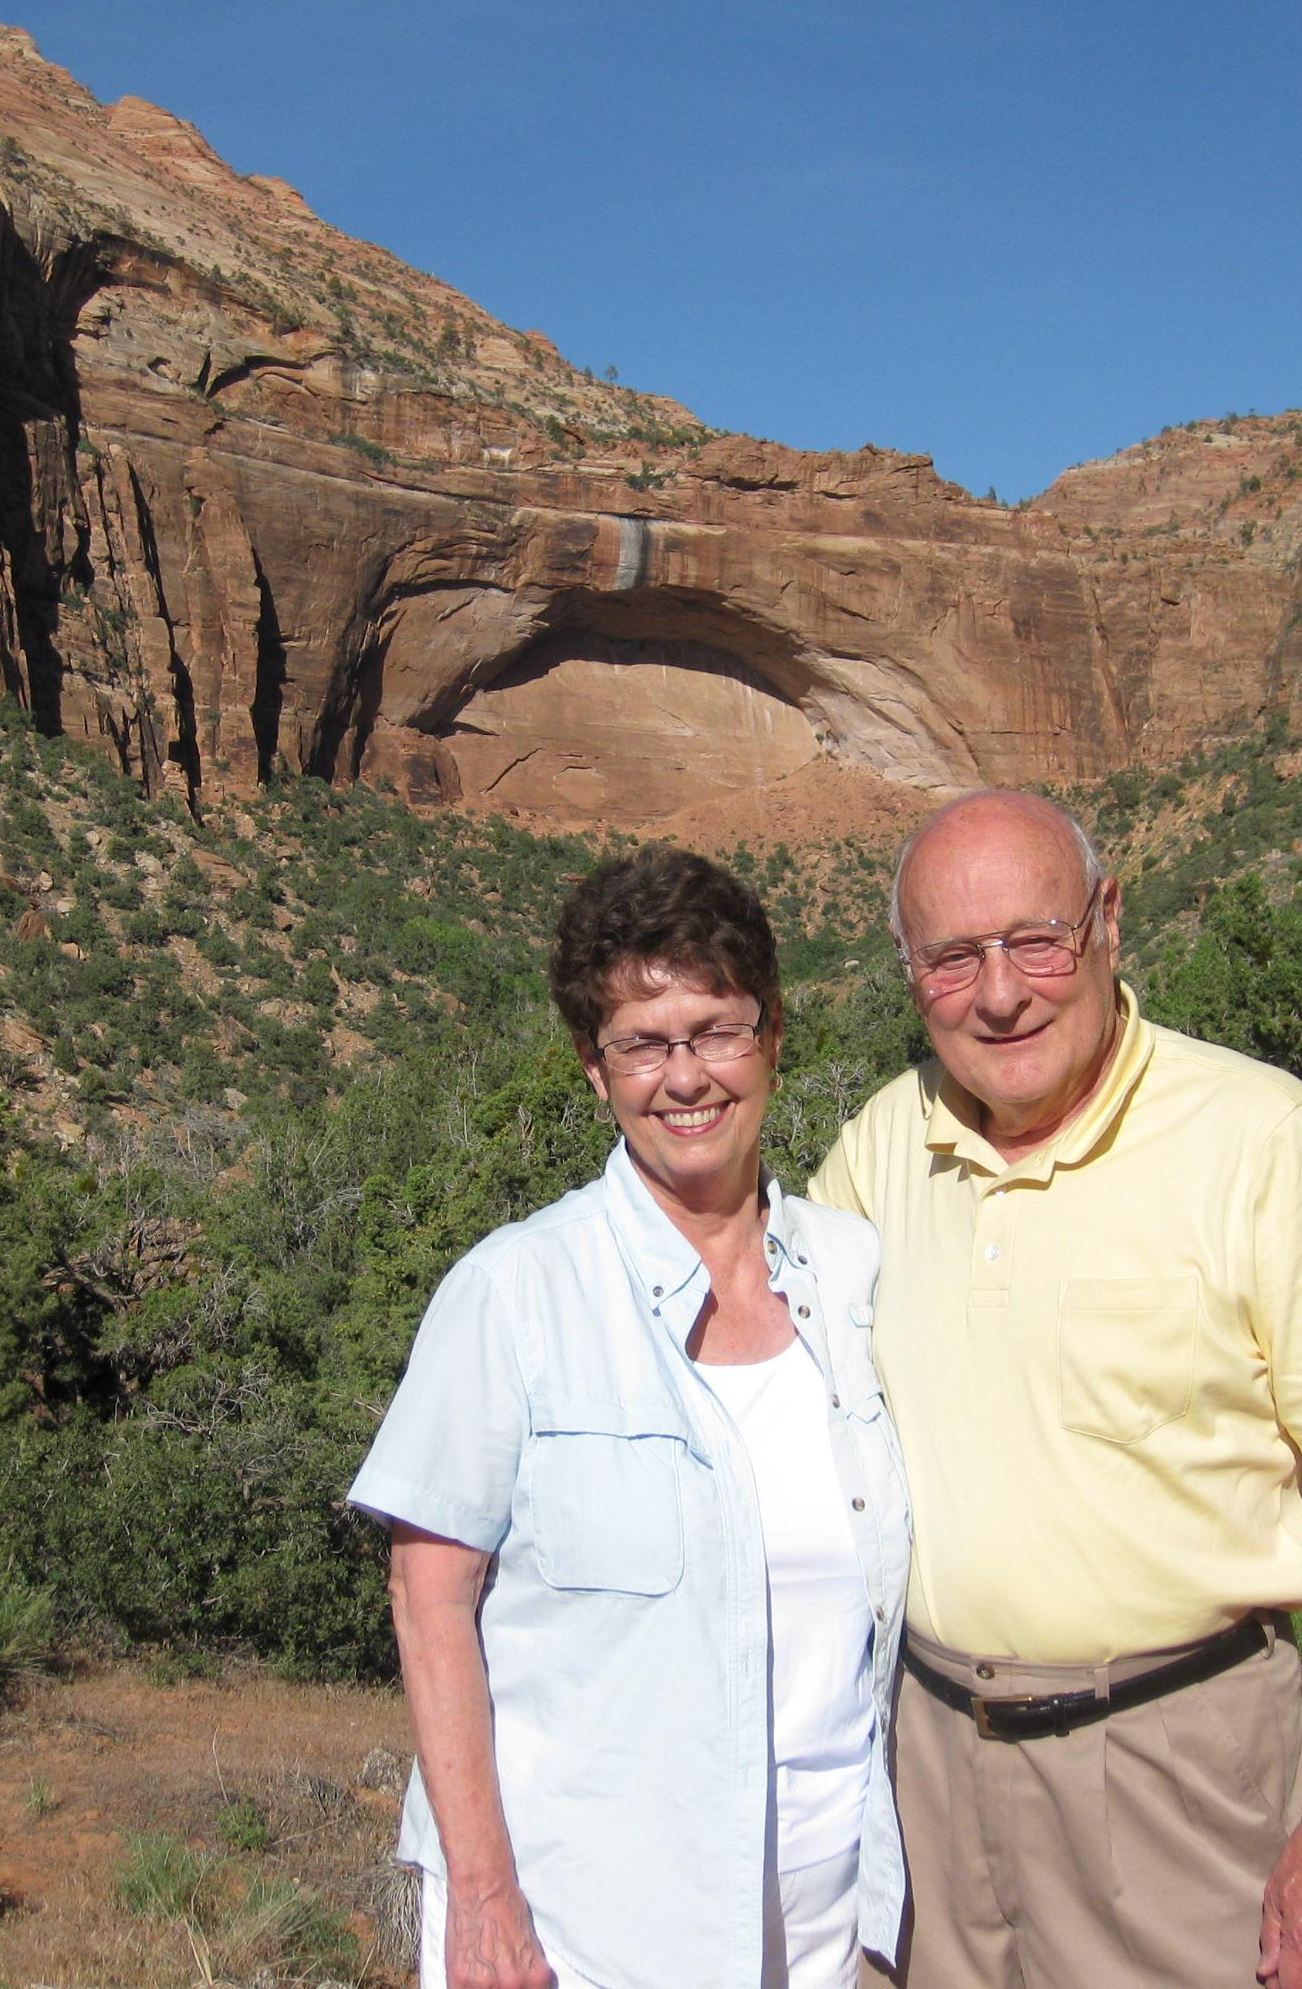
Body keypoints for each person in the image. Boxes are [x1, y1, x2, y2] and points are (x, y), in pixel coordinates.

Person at [810, 789, 1302, 1989]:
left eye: (1034, 940)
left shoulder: (1261, 1141)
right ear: (909, 978)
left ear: (1106, 924)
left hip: (1174, 1766)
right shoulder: (882, 1149)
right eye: (952, 959)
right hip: (925, 1765)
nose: (1000, 994)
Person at [351, 845, 912, 1989]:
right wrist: (485, 1902)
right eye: (642, 1043)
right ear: (593, 1071)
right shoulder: (515, 1291)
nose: (684, 1074)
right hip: (584, 1927)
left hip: (826, 1919)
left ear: (772, 1037)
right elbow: (430, 1599)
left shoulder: (853, 1278)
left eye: (715, 1029)